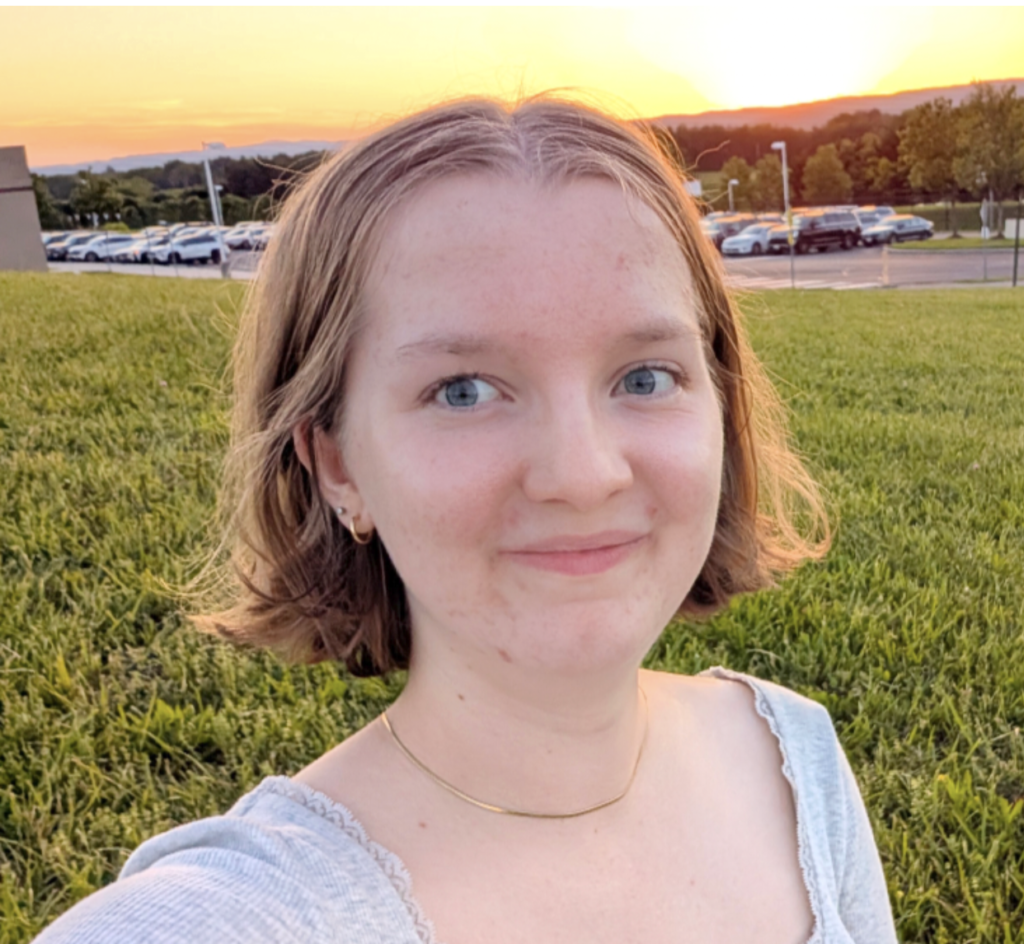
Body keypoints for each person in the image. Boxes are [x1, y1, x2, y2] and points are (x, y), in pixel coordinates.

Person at [34, 96, 898, 944]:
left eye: (644, 377)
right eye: (463, 391)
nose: (583, 474)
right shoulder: (248, 913)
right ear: (336, 464)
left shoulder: (794, 758)